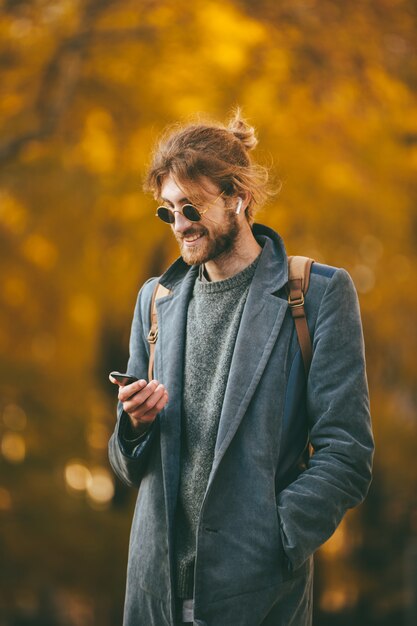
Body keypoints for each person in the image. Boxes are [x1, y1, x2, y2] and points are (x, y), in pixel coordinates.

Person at [108, 110, 374, 626]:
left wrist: (274, 541)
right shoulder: (154, 301)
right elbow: (124, 465)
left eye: (192, 207)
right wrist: (133, 427)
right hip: (153, 597)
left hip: (258, 598)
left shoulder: (319, 295)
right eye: (168, 212)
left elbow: (347, 454)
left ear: (239, 198)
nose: (180, 225)